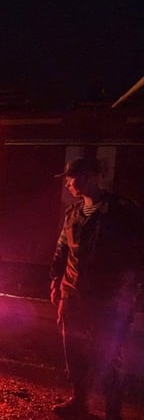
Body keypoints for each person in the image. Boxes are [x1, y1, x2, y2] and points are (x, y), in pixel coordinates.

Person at [49, 156, 144, 419]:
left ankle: (114, 410)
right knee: (75, 349)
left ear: (90, 177)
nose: (68, 183)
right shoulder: (73, 213)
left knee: (111, 353)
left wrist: (131, 290)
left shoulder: (124, 211)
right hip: (74, 294)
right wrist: (56, 282)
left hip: (110, 298)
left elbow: (138, 253)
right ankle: (79, 401)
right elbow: (62, 250)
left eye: (72, 177)